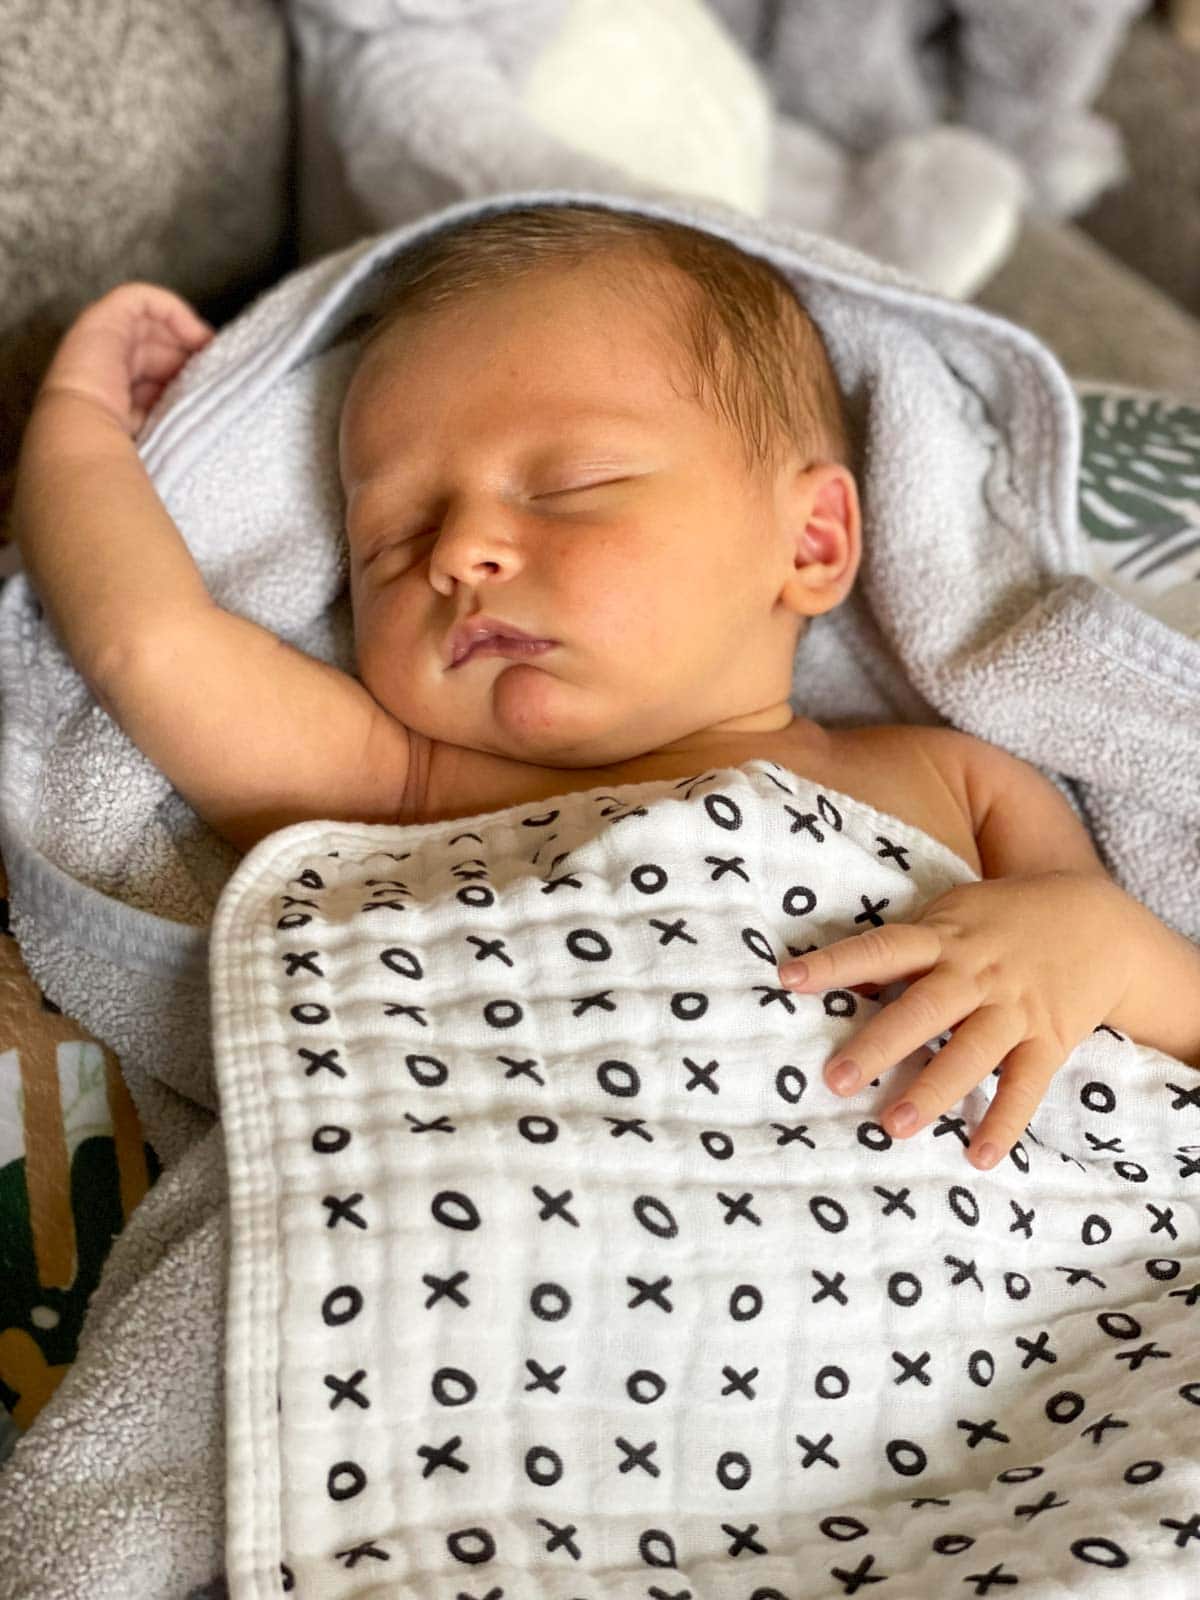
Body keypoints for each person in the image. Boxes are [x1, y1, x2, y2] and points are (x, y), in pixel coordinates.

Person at [11, 204, 1200, 1178]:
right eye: (394, 535)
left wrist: (1082, 939)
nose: (457, 552)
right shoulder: (413, 791)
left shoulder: (953, 777)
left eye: (568, 485)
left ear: (813, 540)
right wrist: (75, 430)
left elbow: (1162, 1007)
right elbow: (148, 644)